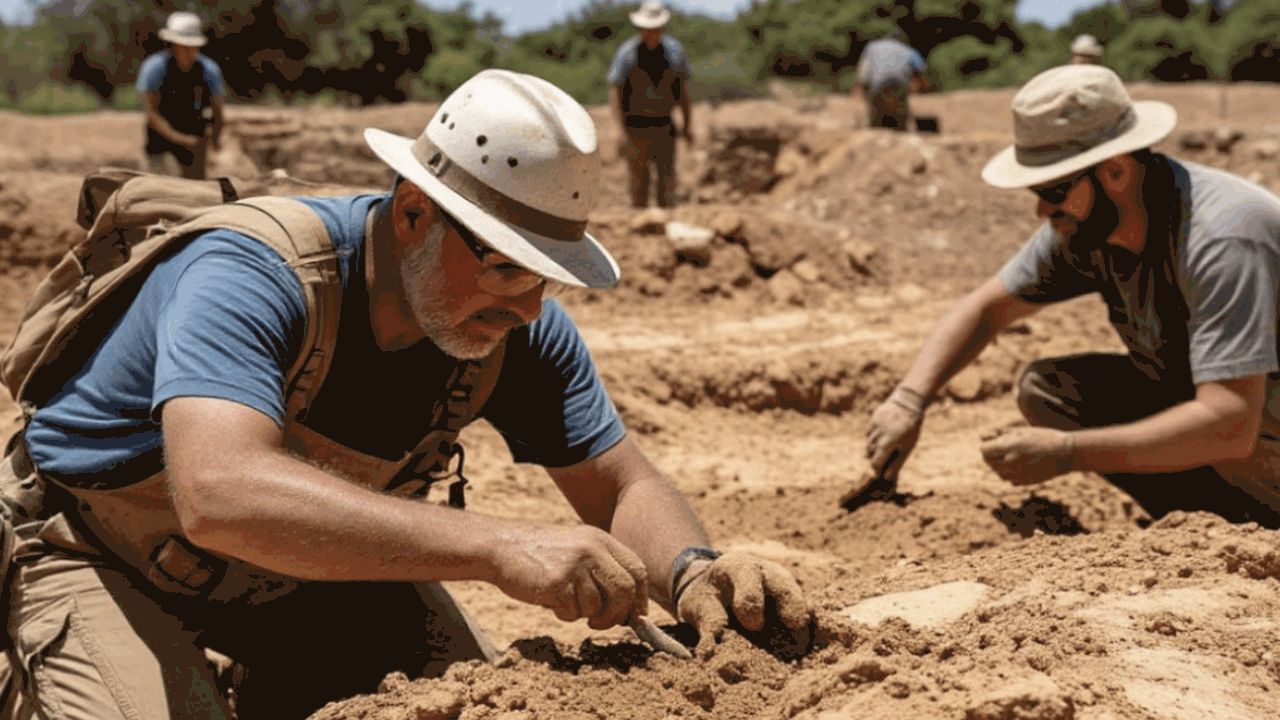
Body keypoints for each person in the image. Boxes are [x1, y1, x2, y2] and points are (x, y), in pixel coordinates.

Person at [0, 69, 811, 720]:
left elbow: (618, 483)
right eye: (505, 265)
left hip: (307, 577)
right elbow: (219, 492)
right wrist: (501, 547)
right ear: (415, 213)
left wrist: (696, 571)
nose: (529, 305)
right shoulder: (252, 274)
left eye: (547, 276)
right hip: (103, 555)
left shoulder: (517, 329)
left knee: (476, 705)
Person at [863, 64, 1280, 529]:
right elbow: (987, 308)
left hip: (1257, 425)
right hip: (1228, 415)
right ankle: (1209, 524)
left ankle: (1260, 528)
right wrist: (908, 401)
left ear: (1116, 171)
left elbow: (1231, 421)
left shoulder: (1222, 237)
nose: (1042, 210)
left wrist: (1068, 454)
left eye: (1053, 190)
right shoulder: (1089, 224)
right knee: (1050, 392)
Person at [606, 1, 693, 208]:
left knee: (667, 180)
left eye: (655, 29)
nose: (651, 33)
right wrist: (618, 131)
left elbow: (682, 91)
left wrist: (688, 124)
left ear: (662, 28)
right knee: (638, 181)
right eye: (647, 29)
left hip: (664, 125)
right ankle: (640, 228)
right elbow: (615, 92)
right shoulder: (627, 53)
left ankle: (666, 227)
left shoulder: (674, 52)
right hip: (634, 127)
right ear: (640, 28)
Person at [136, 11, 225, 179]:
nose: (187, 51)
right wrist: (182, 139)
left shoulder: (209, 71)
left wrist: (215, 140)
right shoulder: (154, 68)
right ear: (173, 45)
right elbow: (151, 114)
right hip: (160, 145)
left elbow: (218, 111)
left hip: (195, 146)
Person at [853, 32, 929, 132]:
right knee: (900, 118)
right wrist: (922, 91)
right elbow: (921, 76)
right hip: (900, 86)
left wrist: (859, 92)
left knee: (877, 116)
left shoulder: (872, 47)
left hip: (878, 85)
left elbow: (863, 75)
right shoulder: (909, 50)